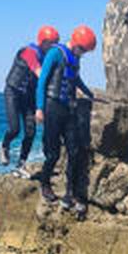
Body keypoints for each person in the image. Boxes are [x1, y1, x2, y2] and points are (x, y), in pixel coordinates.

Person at [35, 24, 96, 217]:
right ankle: (45, 183)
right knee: (52, 153)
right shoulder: (55, 53)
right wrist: (39, 108)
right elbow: (43, 80)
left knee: (74, 150)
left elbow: (76, 79)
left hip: (69, 108)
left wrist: (89, 94)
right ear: (76, 42)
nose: (83, 54)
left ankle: (70, 193)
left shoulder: (75, 58)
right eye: (83, 49)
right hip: (52, 107)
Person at [0, 25, 60, 175]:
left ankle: (21, 164)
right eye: (50, 43)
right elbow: (39, 72)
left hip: (28, 97)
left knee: (31, 132)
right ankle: (4, 145)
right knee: (14, 129)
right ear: (42, 41)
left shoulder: (47, 57)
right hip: (12, 93)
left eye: (54, 44)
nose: (52, 47)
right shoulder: (28, 52)